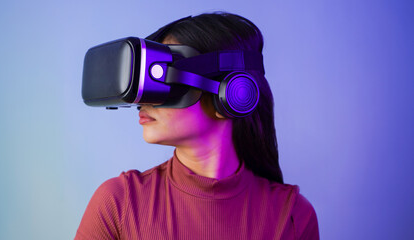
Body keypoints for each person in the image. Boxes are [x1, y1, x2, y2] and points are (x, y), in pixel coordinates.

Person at [75, 12, 319, 240]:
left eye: (161, 77)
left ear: (233, 94)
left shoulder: (293, 215)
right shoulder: (119, 202)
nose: (143, 100)